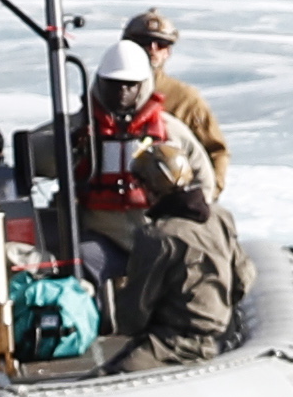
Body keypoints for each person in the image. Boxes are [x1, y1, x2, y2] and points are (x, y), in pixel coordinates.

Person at [73, 36, 209, 275]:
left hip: (158, 236)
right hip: (104, 238)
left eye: (130, 85)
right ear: (100, 83)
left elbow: (203, 177)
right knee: (80, 262)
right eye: (114, 84)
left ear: (142, 85)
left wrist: (183, 221)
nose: (122, 92)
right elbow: (39, 154)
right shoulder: (78, 128)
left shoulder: (169, 130)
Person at [101, 165, 241, 374]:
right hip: (222, 332)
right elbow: (244, 277)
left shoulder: (158, 236)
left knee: (110, 377)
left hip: (177, 342)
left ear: (150, 189)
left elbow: (133, 315)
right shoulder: (220, 216)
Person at [120, 8, 231, 196]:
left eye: (161, 43)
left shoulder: (186, 99)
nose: (152, 49)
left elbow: (216, 151)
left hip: (168, 203)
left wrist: (208, 197)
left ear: (168, 51)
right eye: (143, 42)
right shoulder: (107, 90)